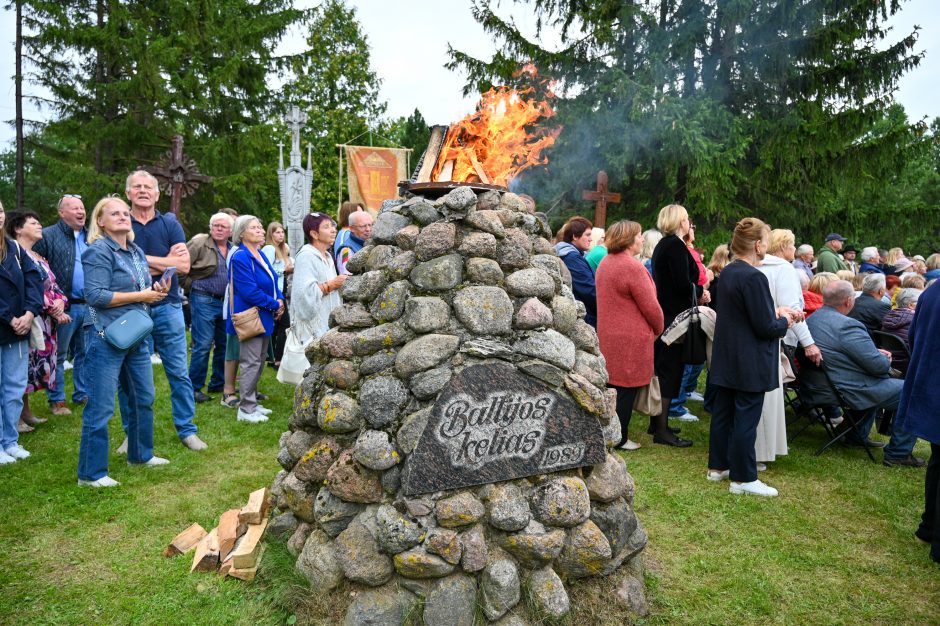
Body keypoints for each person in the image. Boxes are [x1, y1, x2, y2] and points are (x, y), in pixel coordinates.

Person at [77, 197, 172, 486]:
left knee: (144, 397)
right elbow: (95, 296)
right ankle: (91, 474)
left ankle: (140, 455)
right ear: (101, 221)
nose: (122, 216)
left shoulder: (136, 251)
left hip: (134, 334)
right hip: (104, 335)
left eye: (124, 213)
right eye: (113, 213)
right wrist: (142, 296)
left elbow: (138, 289)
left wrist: (155, 290)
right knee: (101, 406)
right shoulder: (98, 251)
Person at [707, 218, 796, 497]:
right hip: (748, 359)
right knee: (746, 417)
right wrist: (785, 321)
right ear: (757, 245)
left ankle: (718, 466)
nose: (766, 248)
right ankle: (743, 478)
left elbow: (742, 316)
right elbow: (765, 326)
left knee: (724, 413)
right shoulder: (754, 277)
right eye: (766, 243)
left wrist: (774, 316)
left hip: (727, 355)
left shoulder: (729, 272)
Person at [122, 170, 206, 452]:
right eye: (137, 186)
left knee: (179, 372)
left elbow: (182, 267)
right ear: (128, 193)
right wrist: (163, 261)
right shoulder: (121, 223)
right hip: (133, 307)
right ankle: (131, 434)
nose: (143, 190)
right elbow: (117, 264)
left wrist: (138, 258)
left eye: (149, 187)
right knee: (133, 375)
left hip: (168, 307)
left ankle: (187, 429)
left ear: (158, 194)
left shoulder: (170, 223)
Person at [804, 280, 923, 466]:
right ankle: (898, 453)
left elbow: (844, 354)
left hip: (820, 383)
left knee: (888, 385)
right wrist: (885, 358)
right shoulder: (848, 326)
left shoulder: (813, 318)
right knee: (915, 392)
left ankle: (855, 436)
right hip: (847, 387)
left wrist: (875, 354)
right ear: (849, 301)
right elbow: (878, 367)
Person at [755, 229, 823, 468]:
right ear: (784, 246)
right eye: (793, 245)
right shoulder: (783, 269)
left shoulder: (754, 265)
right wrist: (809, 343)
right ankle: (759, 451)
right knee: (766, 397)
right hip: (774, 336)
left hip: (754, 336)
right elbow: (794, 312)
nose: (794, 250)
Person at [596, 221, 663, 451]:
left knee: (613, 385)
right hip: (629, 338)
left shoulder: (606, 262)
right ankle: (620, 437)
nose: (642, 239)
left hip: (609, 334)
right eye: (639, 236)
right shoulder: (631, 267)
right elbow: (651, 307)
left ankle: (610, 432)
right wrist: (659, 327)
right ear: (628, 239)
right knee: (625, 389)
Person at [7, 212, 70, 433]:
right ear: (17, 228)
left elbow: (54, 286)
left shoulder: (38, 256)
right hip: (30, 318)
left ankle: (26, 413)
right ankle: (15, 419)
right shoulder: (13, 253)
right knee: (21, 369)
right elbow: (26, 287)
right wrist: (51, 308)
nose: (40, 225)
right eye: (34, 223)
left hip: (47, 322)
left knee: (32, 370)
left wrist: (61, 302)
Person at [649, 204, 706, 447]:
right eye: (686, 220)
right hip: (674, 315)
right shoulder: (673, 246)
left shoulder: (667, 244)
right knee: (670, 369)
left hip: (668, 312)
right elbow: (683, 284)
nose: (689, 223)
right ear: (679, 222)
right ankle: (662, 431)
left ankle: (657, 423)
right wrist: (702, 292)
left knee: (666, 368)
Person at [894, 280, 940, 563]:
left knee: (938, 460)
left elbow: (914, 336)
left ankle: (928, 527)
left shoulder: (933, 291)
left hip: (932, 384)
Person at [34, 194, 88, 416]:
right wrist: (50, 303)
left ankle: (82, 393)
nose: (80, 211)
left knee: (86, 352)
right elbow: (36, 271)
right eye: (74, 208)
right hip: (62, 307)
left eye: (82, 208)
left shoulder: (91, 236)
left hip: (89, 305)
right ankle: (56, 399)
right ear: (61, 212)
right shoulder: (47, 235)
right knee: (59, 353)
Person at [227, 215, 285, 423]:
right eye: (254, 227)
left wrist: (280, 299)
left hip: (264, 315)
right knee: (251, 362)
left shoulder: (259, 253)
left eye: (261, 226)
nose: (261, 230)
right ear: (241, 233)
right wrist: (274, 304)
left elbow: (273, 280)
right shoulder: (240, 256)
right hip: (251, 316)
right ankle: (246, 408)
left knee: (259, 361)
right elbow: (248, 291)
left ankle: (250, 401)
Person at [0, 200, 44, 464]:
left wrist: (29, 313)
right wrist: (9, 317)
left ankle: (10, 440)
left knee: (14, 387)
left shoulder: (14, 248)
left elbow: (34, 280)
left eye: (1, 211)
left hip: (18, 329)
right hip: (5, 324)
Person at [185, 212, 233, 403]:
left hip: (225, 302)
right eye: (215, 225)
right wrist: (190, 287)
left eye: (223, 226)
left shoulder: (233, 248)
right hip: (203, 298)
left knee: (223, 344)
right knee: (203, 345)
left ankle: (218, 383)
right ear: (210, 227)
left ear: (230, 230)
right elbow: (181, 267)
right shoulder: (199, 243)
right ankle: (194, 388)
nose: (219, 229)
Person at [293, 213, 347, 340]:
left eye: (332, 226)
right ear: (314, 234)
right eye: (327, 227)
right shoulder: (306, 256)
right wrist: (331, 285)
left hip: (328, 324)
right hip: (312, 329)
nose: (333, 230)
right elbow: (303, 294)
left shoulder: (327, 256)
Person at [555, 216, 598, 328]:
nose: (591, 239)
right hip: (586, 319)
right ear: (575, 236)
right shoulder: (572, 258)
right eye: (587, 235)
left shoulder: (575, 255)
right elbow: (588, 290)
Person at [262, 221, 294, 368]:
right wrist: (284, 271)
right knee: (284, 324)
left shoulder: (281, 249)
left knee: (276, 325)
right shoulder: (269, 248)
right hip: (274, 291)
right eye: (277, 232)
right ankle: (278, 359)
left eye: (282, 232)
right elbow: (266, 271)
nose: (281, 235)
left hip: (281, 289)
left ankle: (271, 356)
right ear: (271, 234)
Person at [334, 208, 373, 275]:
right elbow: (346, 277)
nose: (368, 229)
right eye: (363, 226)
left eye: (370, 225)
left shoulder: (371, 243)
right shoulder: (346, 250)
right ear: (352, 228)